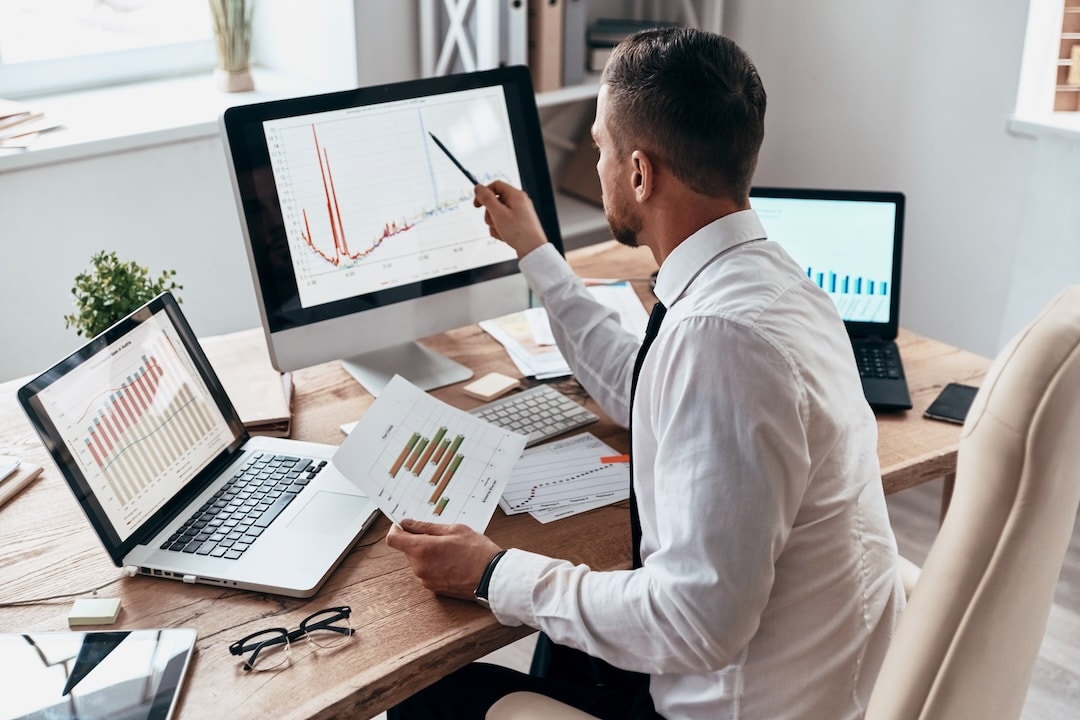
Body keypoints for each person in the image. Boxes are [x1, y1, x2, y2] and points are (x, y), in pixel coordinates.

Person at [386, 27, 904, 719]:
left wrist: (492, 571)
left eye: (598, 147)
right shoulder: (772, 285)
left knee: (428, 693)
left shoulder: (721, 341)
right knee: (562, 636)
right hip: (805, 674)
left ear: (639, 172)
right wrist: (537, 253)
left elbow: (697, 622)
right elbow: (646, 386)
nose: (594, 163)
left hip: (734, 700)